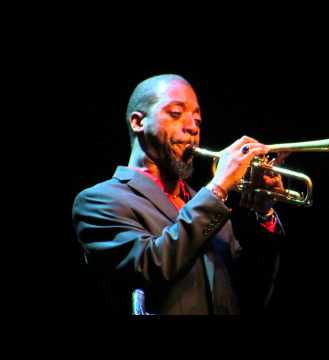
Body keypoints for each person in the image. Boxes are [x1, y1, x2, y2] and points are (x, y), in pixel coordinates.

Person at [72, 74, 284, 315]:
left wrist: (263, 214)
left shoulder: (205, 203)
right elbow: (150, 266)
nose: (192, 127)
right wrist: (218, 188)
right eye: (176, 113)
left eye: (198, 120)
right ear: (138, 122)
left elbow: (251, 294)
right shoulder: (99, 201)